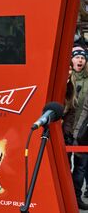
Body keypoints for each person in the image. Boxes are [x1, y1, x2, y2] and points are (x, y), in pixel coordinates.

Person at [70, 47, 88, 210]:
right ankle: (65, 194)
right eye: (77, 57)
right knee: (65, 165)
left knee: (81, 167)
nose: (80, 60)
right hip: (65, 130)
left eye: (83, 57)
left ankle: (76, 197)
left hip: (83, 131)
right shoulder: (66, 79)